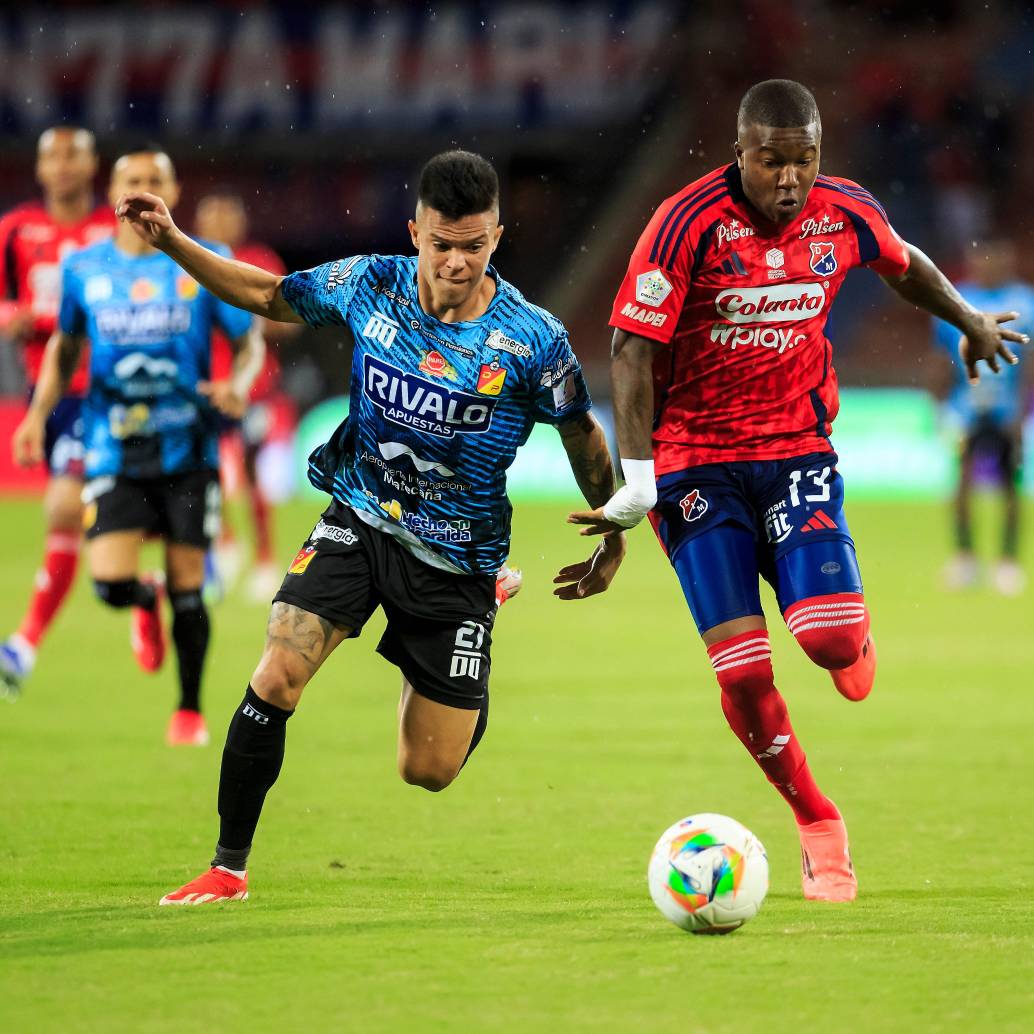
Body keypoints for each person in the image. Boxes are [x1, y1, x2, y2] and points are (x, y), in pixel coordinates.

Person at [114, 149, 624, 905]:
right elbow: (268, 295)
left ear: (497, 237)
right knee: (278, 670)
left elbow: (580, 433)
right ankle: (228, 867)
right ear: (415, 231)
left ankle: (482, 612)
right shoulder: (368, 284)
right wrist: (173, 242)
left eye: (474, 245)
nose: (456, 262)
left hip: (458, 561)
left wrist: (614, 527)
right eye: (442, 243)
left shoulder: (532, 340)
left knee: (428, 770)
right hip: (359, 516)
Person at [573, 80, 1026, 902]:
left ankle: (844, 628)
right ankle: (818, 821)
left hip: (795, 451)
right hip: (695, 463)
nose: (788, 178)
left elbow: (903, 263)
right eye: (771, 160)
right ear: (740, 152)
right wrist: (637, 484)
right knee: (744, 673)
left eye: (803, 159)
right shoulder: (684, 223)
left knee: (830, 645)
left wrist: (970, 320)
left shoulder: (843, 211)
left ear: (820, 153)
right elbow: (629, 349)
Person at [12, 146, 264, 745]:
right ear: (114, 196)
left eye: (156, 179)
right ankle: (140, 598)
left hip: (189, 447)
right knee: (108, 584)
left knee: (189, 588)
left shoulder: (206, 261)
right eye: (134, 180)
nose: (145, 188)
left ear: (172, 194)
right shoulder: (84, 269)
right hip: (113, 447)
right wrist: (36, 415)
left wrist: (239, 383)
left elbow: (249, 341)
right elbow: (65, 347)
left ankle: (189, 711)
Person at [0, 127, 115, 697]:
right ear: (40, 169)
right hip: (47, 394)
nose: (64, 165)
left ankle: (22, 644)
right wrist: (11, 317)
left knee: (65, 507)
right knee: (90, 525)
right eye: (54, 156)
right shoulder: (16, 230)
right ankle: (138, 586)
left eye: (75, 155)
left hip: (105, 389)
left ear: (93, 166)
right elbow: (5, 301)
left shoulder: (112, 231)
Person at [194, 192, 297, 602]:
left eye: (227, 216)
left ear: (241, 222)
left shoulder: (260, 260)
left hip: (254, 387)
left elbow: (290, 318)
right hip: (206, 385)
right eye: (212, 216)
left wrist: (255, 316)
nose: (219, 224)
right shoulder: (191, 262)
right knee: (204, 469)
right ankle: (224, 543)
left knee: (252, 471)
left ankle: (265, 558)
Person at [931, 238, 1032, 595]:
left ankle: (1007, 561)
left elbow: (1030, 362)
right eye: (981, 259)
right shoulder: (957, 298)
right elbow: (941, 358)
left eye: (994, 259)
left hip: (1007, 410)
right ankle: (965, 558)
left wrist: (1023, 410)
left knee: (1010, 485)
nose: (987, 265)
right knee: (961, 482)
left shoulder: (1024, 302)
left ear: (1006, 261)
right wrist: (940, 406)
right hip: (966, 409)